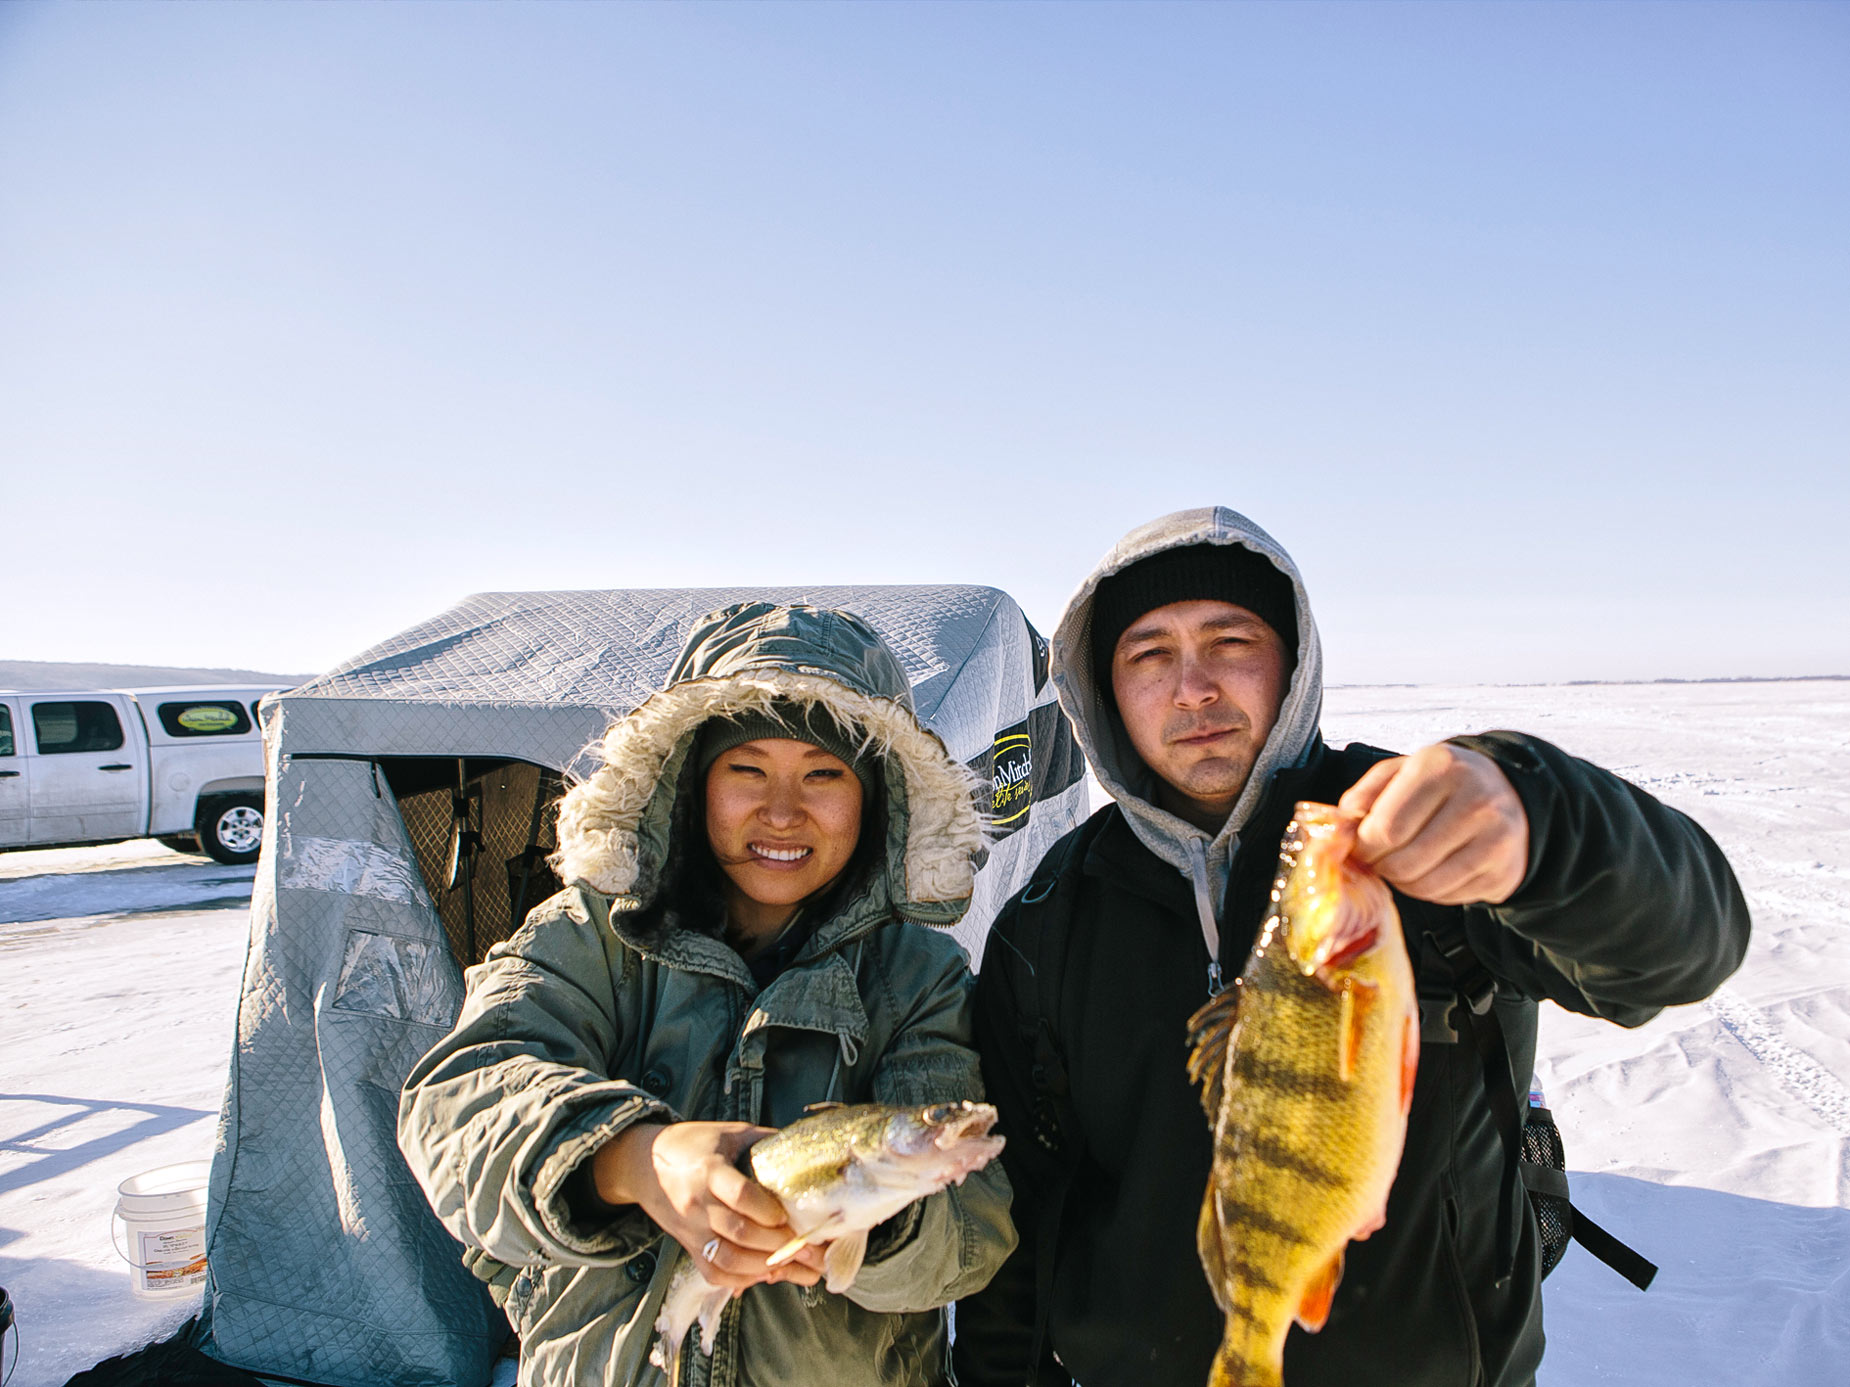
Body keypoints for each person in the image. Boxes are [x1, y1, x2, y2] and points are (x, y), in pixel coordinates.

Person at [950, 507, 1750, 1387]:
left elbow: (1684, 948)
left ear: (1292, 663)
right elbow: (1022, 1206)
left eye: (1231, 639)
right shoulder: (1048, 916)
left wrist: (1538, 822)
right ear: (1102, 686)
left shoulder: (1419, 839)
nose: (1193, 687)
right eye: (1150, 653)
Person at [398, 601, 1015, 1387]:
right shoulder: (589, 934)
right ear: (691, 779)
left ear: (877, 795)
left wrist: (863, 1229)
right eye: (746, 769)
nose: (783, 811)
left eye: (824, 774)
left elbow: (974, 1231)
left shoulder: (919, 976)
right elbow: (455, 1101)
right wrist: (633, 1159)